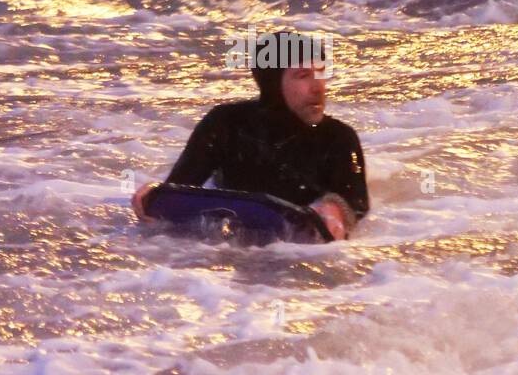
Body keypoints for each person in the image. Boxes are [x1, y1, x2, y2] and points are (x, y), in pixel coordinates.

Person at [131, 34, 369, 239]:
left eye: (321, 73)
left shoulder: (339, 138)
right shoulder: (226, 124)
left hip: (297, 251)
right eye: (303, 75)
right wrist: (154, 194)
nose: (318, 87)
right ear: (274, 84)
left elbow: (355, 202)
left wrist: (335, 210)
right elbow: (182, 187)